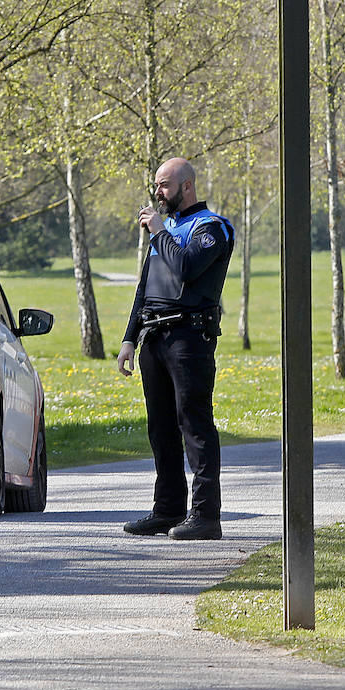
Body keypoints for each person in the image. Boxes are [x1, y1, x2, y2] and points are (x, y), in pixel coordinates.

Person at [117, 157, 234, 541]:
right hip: (154, 337)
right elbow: (145, 287)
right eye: (156, 185)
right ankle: (167, 510)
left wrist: (158, 231)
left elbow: (186, 268)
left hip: (189, 339)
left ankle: (205, 516)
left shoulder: (211, 228)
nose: (157, 193)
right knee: (161, 430)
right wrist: (129, 338)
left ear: (186, 186)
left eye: (164, 185)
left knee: (194, 425)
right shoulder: (164, 233)